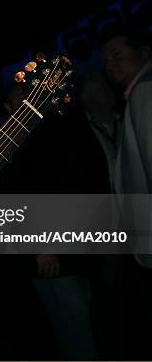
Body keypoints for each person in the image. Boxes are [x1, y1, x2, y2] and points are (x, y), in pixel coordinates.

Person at [101, 25, 151, 359]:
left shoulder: (146, 93)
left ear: (144, 54)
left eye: (117, 55)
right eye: (106, 61)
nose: (111, 66)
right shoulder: (137, 96)